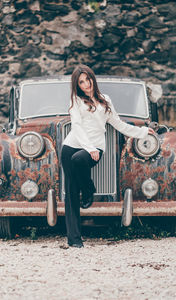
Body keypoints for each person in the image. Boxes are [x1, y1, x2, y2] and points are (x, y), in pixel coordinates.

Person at [61, 65, 155, 248]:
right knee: (71, 192)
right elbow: (77, 127)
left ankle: (88, 190)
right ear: (77, 85)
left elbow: (119, 124)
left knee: (79, 160)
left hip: (96, 147)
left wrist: (143, 132)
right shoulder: (75, 101)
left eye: (88, 79)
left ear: (92, 79)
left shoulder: (105, 100)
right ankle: (74, 239)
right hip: (72, 146)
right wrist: (88, 148)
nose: (86, 84)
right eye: (81, 82)